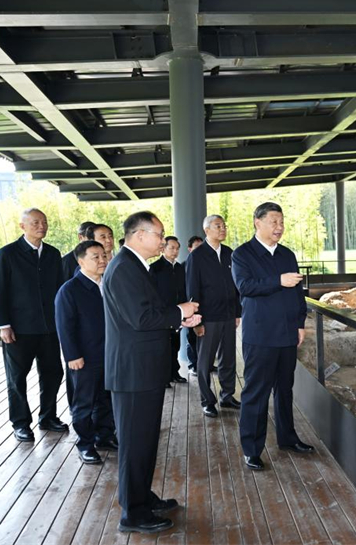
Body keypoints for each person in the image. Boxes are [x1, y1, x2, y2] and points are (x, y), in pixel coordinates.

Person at [103, 211, 200, 534]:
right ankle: (133, 513)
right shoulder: (123, 269)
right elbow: (140, 319)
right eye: (159, 235)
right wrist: (179, 311)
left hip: (143, 369)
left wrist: (179, 320)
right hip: (133, 372)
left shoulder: (133, 266)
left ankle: (140, 496)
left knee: (144, 441)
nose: (163, 240)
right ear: (139, 235)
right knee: (134, 443)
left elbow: (150, 313)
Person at [232, 202, 313, 471]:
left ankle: (288, 438)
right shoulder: (243, 254)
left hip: (288, 333)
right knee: (256, 393)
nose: (279, 227)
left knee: (284, 390)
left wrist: (300, 323)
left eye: (281, 222)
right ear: (258, 222)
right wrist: (278, 280)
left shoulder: (287, 254)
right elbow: (245, 287)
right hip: (260, 335)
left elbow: (297, 291)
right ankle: (252, 449)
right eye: (273, 222)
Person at [0, 208, 67, 442]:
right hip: (18, 330)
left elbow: (60, 289)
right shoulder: (7, 254)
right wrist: (4, 325)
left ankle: (48, 417)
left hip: (49, 329)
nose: (41, 226)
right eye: (35, 222)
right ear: (22, 226)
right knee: (17, 378)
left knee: (53, 373)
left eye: (44, 222)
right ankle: (21, 423)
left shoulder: (53, 254)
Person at [54, 240, 116, 465]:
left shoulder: (108, 284)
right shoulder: (69, 290)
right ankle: (85, 444)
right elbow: (64, 326)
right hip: (84, 358)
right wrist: (72, 356)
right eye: (95, 257)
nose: (102, 260)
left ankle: (105, 436)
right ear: (80, 262)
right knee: (84, 404)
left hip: (109, 355)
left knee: (106, 399)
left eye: (103, 256)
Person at [186, 216, 242, 419]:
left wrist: (237, 312)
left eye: (224, 225)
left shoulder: (229, 253)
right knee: (205, 362)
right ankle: (207, 401)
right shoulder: (197, 256)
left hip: (228, 314)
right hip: (208, 317)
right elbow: (192, 290)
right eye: (218, 226)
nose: (223, 229)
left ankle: (227, 395)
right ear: (207, 230)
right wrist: (197, 321)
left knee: (228, 358)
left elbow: (236, 286)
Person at [151, 236, 188, 385]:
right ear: (163, 249)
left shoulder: (180, 268)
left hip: (178, 311)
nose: (175, 251)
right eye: (171, 248)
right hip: (162, 313)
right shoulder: (155, 268)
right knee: (163, 346)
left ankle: (174, 372)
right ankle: (164, 376)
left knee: (176, 344)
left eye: (177, 248)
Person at [184, 235, 204, 376]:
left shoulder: (206, 264)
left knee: (204, 339)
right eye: (197, 248)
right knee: (192, 338)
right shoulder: (185, 265)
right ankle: (193, 364)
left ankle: (203, 364)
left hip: (204, 308)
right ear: (190, 249)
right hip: (188, 308)